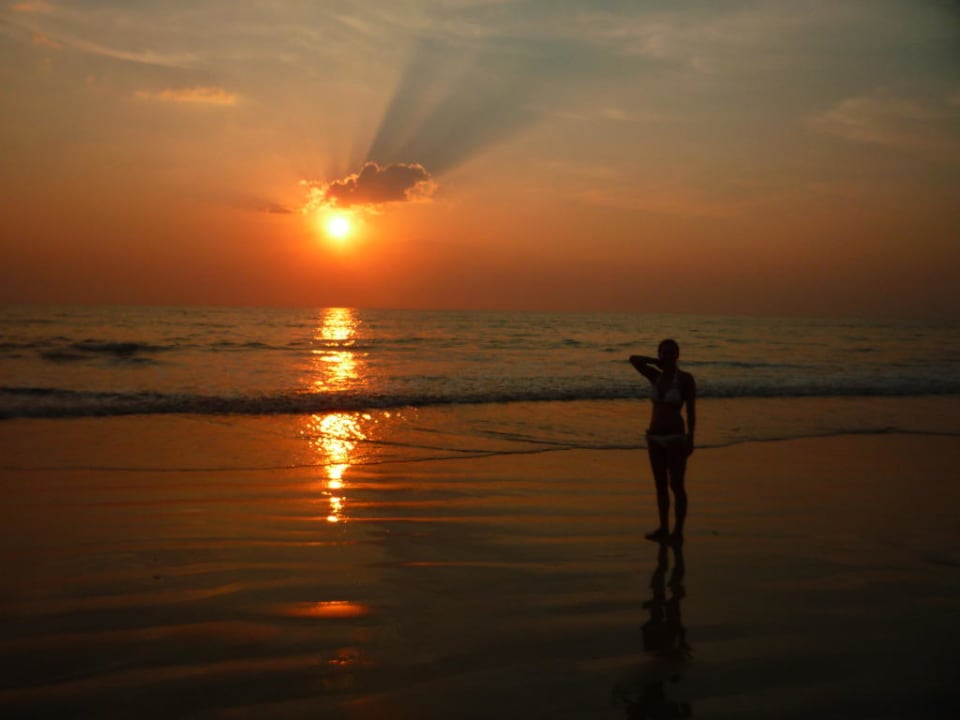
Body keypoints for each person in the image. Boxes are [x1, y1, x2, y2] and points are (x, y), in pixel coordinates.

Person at [629, 339, 696, 544]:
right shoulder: (655, 376)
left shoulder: (685, 379)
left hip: (675, 437)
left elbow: (691, 411)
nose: (668, 356)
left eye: (671, 353)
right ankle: (663, 528)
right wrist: (655, 361)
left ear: (677, 355)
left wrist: (691, 438)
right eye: (664, 353)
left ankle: (678, 532)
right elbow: (633, 359)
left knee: (676, 484)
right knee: (660, 485)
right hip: (654, 437)